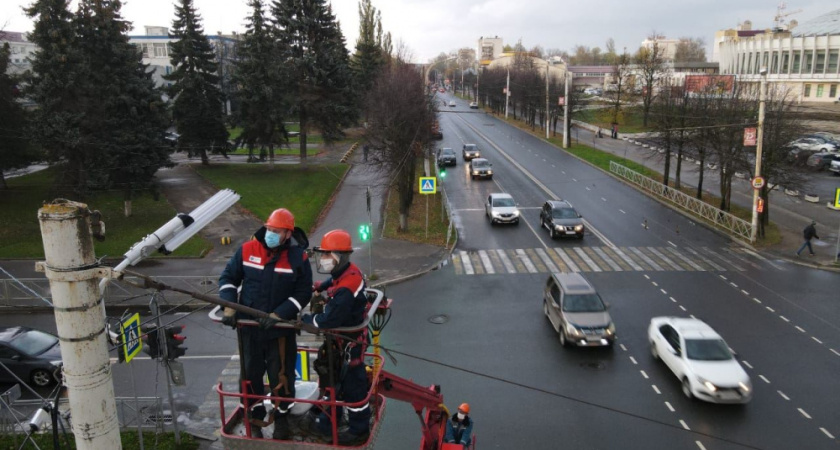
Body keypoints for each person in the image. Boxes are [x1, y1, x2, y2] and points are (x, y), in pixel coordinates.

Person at [219, 208, 312, 440]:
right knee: (250, 375)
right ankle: (255, 416)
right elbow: (228, 278)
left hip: (278, 331)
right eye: (269, 229)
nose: (270, 234)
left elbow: (302, 293)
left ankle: (281, 420)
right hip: (249, 330)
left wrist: (279, 314)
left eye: (276, 231)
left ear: (288, 234)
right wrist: (229, 305)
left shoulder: (297, 258)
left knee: (281, 375)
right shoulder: (247, 250)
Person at [301, 229, 371, 445]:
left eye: (326, 254)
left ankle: (358, 429)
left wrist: (304, 319)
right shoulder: (348, 272)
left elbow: (326, 321)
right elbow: (335, 282)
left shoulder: (346, 290)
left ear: (339, 257)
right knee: (335, 381)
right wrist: (321, 286)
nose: (322, 259)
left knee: (353, 387)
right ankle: (327, 417)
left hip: (349, 344)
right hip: (345, 342)